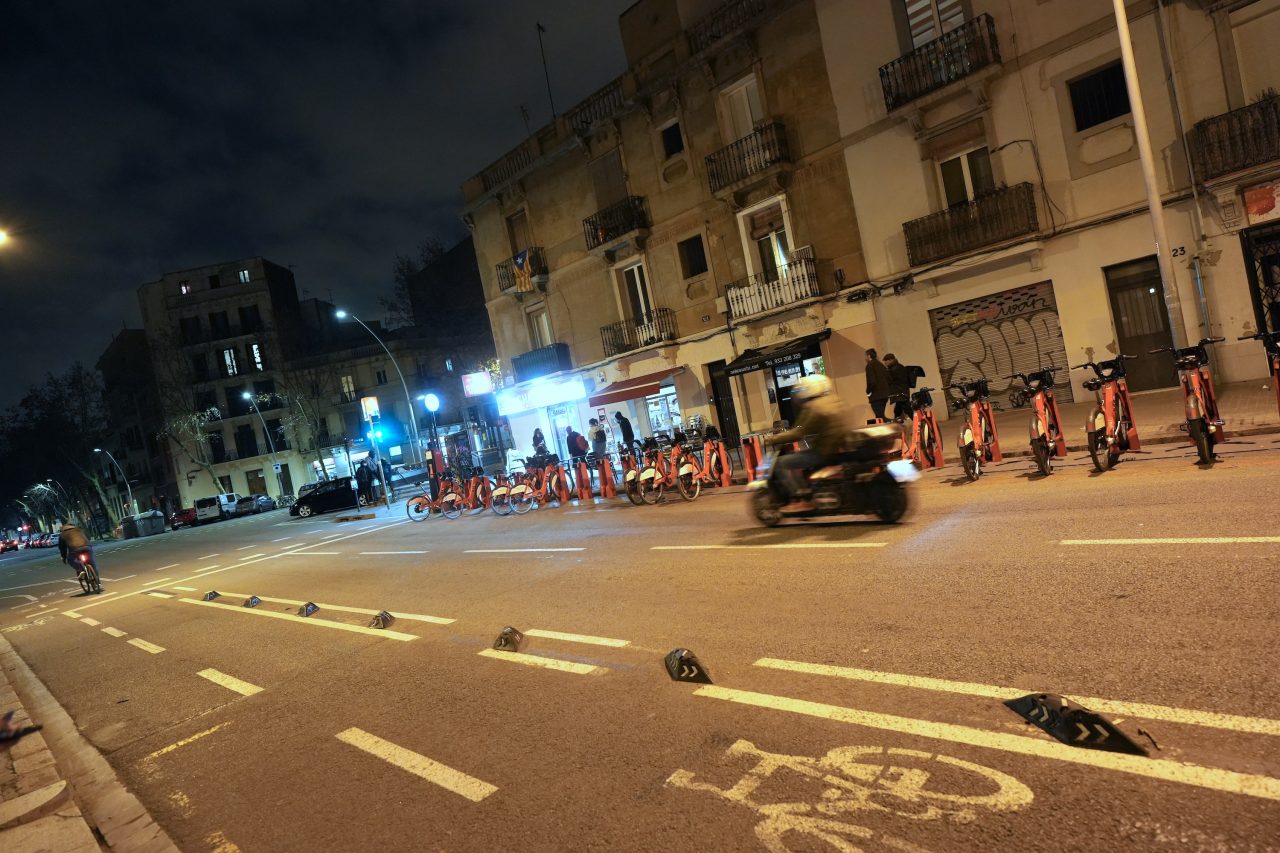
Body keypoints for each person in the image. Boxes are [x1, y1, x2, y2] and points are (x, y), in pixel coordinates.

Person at [764, 374, 852, 512]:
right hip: (840, 450)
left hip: (823, 452)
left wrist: (773, 439)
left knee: (779, 463)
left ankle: (802, 498)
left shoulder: (813, 407)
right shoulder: (835, 401)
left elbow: (798, 433)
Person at [864, 347, 892, 421]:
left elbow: (871, 381)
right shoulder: (881, 365)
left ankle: (893, 425)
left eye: (865, 356)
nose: (865, 358)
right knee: (880, 417)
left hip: (876, 396)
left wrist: (868, 392)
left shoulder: (870, 366)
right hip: (885, 395)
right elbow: (889, 379)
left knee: (880, 418)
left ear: (869, 356)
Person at [883, 353, 913, 421]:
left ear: (891, 360)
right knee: (897, 411)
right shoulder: (898, 367)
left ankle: (918, 423)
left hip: (900, 393)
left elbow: (889, 380)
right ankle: (898, 426)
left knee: (907, 409)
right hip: (900, 393)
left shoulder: (895, 369)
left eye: (886, 361)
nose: (885, 363)